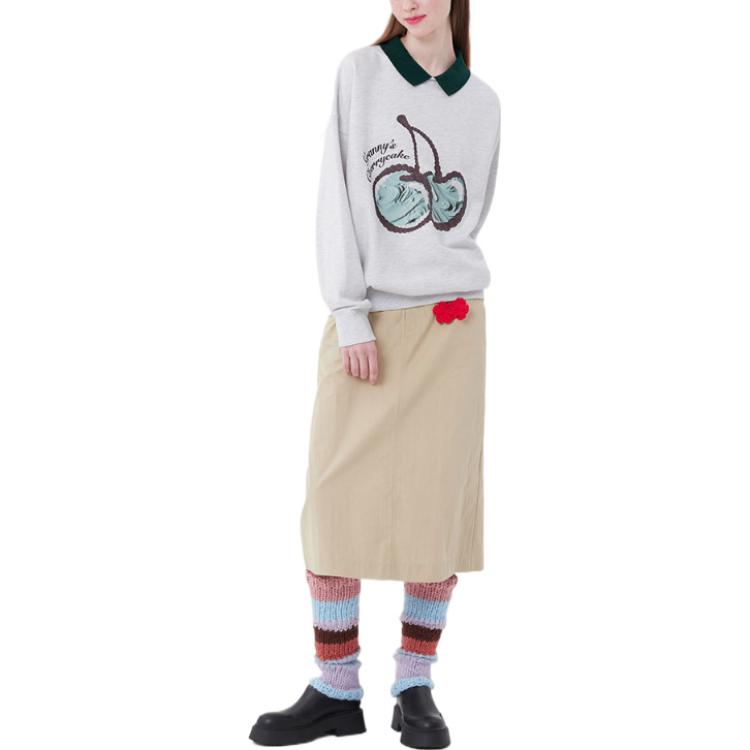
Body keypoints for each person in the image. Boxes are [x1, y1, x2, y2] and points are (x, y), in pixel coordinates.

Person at [249, 2, 500, 747]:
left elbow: (468, 218)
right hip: (369, 324)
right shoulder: (359, 74)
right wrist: (350, 311)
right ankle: (335, 688)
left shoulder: (484, 104)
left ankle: (415, 684)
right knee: (333, 506)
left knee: (434, 510)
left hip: (451, 329)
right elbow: (336, 196)